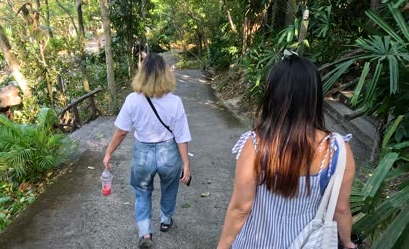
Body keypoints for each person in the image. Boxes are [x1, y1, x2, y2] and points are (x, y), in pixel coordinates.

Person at [217, 50, 357, 249]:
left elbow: (241, 208)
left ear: (273, 94)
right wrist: (347, 242)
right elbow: (341, 209)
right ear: (315, 97)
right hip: (307, 243)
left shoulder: (256, 144)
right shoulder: (337, 148)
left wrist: (223, 245)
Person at [102, 53, 192, 249]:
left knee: (142, 192)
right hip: (169, 152)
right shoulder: (175, 101)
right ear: (165, 74)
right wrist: (186, 163)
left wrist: (109, 152)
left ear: (142, 74)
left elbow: (121, 132)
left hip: (143, 153)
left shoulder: (132, 100)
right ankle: (165, 220)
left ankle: (145, 233)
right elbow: (182, 135)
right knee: (170, 187)